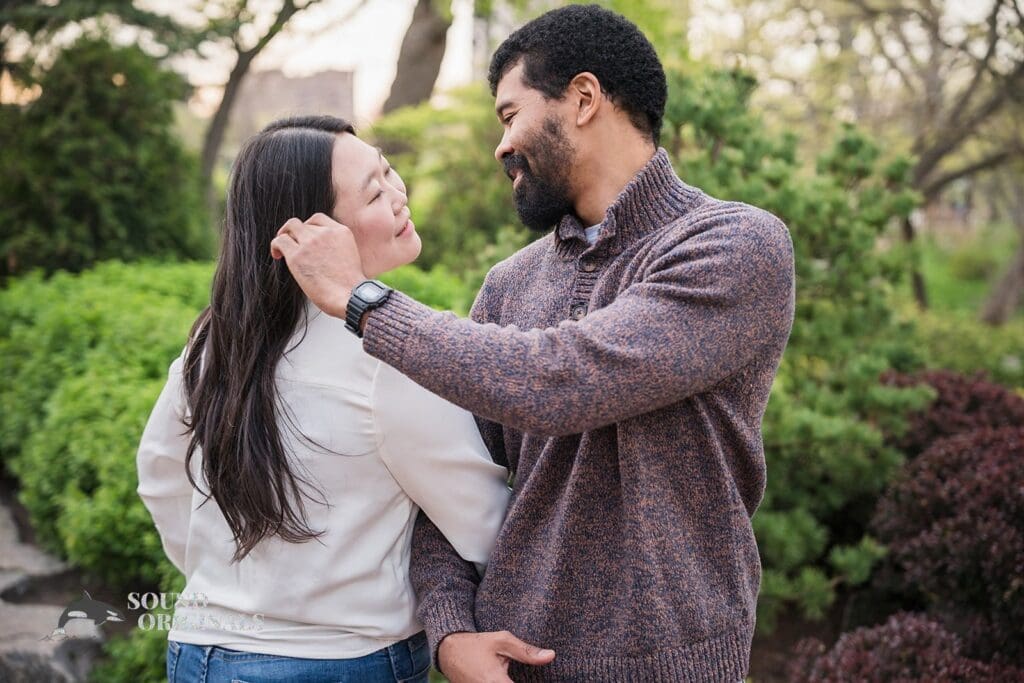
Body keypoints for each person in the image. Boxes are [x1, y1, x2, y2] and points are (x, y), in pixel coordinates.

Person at [271, 5, 796, 682]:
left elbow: (563, 381)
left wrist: (362, 299)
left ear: (583, 99)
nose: (501, 146)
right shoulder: (510, 283)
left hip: (676, 665)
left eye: (510, 114)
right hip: (511, 665)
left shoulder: (733, 245)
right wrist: (451, 629)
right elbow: (449, 483)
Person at [136, 115, 510, 683]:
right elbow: (483, 522)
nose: (399, 194)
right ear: (313, 232)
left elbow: (160, 476)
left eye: (388, 171)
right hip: (337, 660)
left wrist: (234, 589)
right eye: (374, 192)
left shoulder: (216, 341)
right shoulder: (389, 357)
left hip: (200, 652)